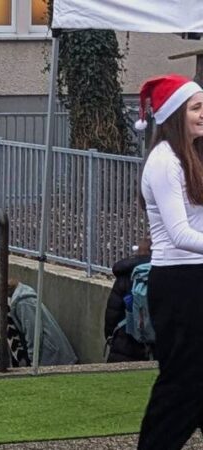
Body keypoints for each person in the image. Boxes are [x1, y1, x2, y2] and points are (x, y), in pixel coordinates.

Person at [136, 74, 203, 450]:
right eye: (196, 108)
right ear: (176, 115)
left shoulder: (192, 155)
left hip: (194, 279)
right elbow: (179, 234)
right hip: (179, 284)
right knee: (182, 381)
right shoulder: (164, 162)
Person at [0, 280, 77, 366]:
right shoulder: (20, 301)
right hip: (50, 354)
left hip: (53, 356)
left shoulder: (22, 304)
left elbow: (33, 333)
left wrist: (32, 360)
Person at [105, 238, 153, 363]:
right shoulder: (162, 272)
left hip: (125, 340)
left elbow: (113, 310)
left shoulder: (125, 273)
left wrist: (110, 335)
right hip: (156, 340)